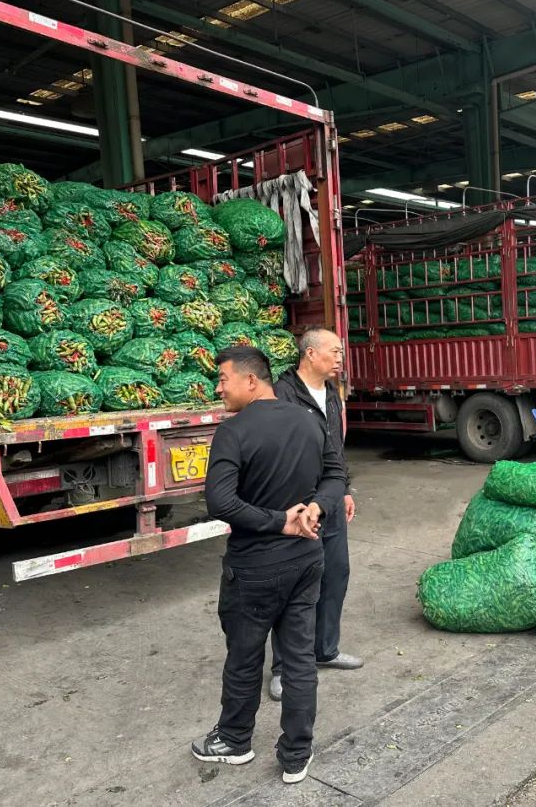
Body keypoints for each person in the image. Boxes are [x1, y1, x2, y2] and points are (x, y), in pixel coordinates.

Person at [192, 346, 346, 785]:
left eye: (223, 378)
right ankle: (296, 754)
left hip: (255, 568)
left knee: (244, 657)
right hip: (306, 560)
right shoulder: (310, 420)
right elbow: (336, 475)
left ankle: (234, 740)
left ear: (251, 380)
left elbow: (220, 502)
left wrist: (280, 521)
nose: (218, 388)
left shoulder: (233, 431)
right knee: (299, 659)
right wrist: (316, 508)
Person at [268, 326, 361, 703]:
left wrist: (345, 489)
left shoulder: (332, 393)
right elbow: (275, 452)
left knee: (335, 573)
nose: (340, 358)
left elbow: (335, 448)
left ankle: (325, 649)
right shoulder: (283, 393)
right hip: (298, 503)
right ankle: (283, 667)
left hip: (331, 498)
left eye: (341, 352)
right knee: (294, 584)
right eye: (334, 351)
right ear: (309, 354)